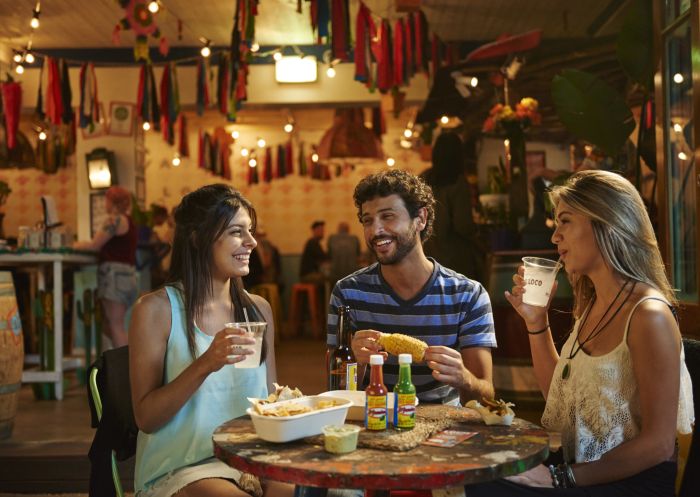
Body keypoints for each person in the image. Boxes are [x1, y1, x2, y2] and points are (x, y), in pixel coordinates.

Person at [466, 170, 694, 495]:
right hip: (582, 469)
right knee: (476, 474)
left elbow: (658, 445)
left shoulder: (648, 315)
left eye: (565, 221)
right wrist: (536, 322)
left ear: (606, 223)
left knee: (484, 490)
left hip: (629, 482)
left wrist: (561, 478)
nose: (554, 236)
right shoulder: (595, 305)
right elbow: (559, 399)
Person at [129, 184, 293, 497]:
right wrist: (206, 362)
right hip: (183, 467)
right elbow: (146, 418)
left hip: (251, 459)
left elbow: (269, 402)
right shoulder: (156, 310)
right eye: (236, 232)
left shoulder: (256, 309)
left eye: (250, 230)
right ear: (197, 237)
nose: (252, 242)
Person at [329, 169, 496, 405]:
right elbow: (335, 392)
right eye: (368, 220)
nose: (376, 231)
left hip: (445, 425)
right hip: (373, 420)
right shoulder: (347, 294)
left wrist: (465, 379)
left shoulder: (468, 296)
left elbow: (487, 396)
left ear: (421, 219)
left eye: (387, 216)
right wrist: (356, 363)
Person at [74, 185, 138, 348]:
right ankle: (118, 365)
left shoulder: (114, 220)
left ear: (111, 201)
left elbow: (94, 245)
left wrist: (74, 245)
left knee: (115, 326)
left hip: (114, 276)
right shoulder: (129, 221)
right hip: (128, 276)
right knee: (110, 325)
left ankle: (126, 370)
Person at [420, 132, 484, 282]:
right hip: (454, 258)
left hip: (427, 255)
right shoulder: (457, 182)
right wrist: (479, 236)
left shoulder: (423, 178)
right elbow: (463, 225)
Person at [327, 221, 361, 286]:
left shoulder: (332, 238)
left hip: (335, 275)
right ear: (348, 229)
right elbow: (358, 256)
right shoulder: (355, 239)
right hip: (351, 275)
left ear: (338, 229)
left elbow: (329, 256)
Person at [299, 220, 329, 284]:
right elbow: (323, 257)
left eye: (323, 230)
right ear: (314, 230)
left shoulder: (315, 243)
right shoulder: (312, 243)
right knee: (329, 278)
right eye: (320, 230)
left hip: (310, 273)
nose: (323, 232)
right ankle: (326, 294)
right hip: (307, 275)